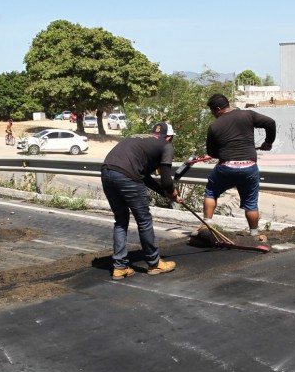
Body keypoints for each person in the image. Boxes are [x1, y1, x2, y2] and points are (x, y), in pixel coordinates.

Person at [101, 121, 181, 279]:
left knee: (121, 220)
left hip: (107, 173)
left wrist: (165, 193)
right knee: (143, 220)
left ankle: (120, 267)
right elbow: (166, 181)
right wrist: (172, 192)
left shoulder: (140, 140)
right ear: (169, 137)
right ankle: (154, 263)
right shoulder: (166, 145)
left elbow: (144, 177)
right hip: (126, 176)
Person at [199, 93, 276, 241]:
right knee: (251, 203)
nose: (213, 114)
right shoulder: (247, 115)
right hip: (249, 167)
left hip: (226, 166)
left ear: (218, 109)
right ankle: (254, 235)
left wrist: (222, 152)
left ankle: (206, 225)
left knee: (211, 192)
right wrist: (269, 141)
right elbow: (270, 123)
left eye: (213, 111)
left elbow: (211, 152)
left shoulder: (214, 126)